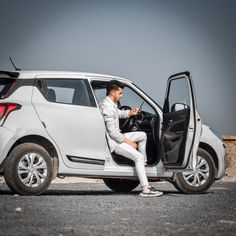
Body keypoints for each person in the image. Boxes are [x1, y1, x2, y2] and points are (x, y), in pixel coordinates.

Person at [99, 80, 163, 197]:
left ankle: (142, 164)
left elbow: (118, 113)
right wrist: (129, 143)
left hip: (119, 137)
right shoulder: (107, 107)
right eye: (120, 93)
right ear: (113, 93)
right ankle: (146, 189)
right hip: (115, 142)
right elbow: (112, 132)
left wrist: (130, 113)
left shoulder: (109, 103)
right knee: (138, 156)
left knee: (142, 135)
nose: (122, 96)